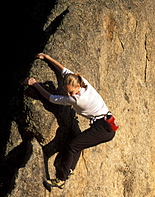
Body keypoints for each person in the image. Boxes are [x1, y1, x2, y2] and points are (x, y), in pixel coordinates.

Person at [24, 53, 118, 189]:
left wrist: (35, 84)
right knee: (77, 142)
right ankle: (70, 170)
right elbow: (63, 70)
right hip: (106, 123)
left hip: (103, 129)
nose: (69, 95)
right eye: (67, 92)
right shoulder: (83, 82)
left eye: (71, 92)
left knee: (72, 145)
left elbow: (51, 98)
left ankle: (61, 179)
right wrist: (47, 58)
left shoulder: (77, 99)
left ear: (77, 87)